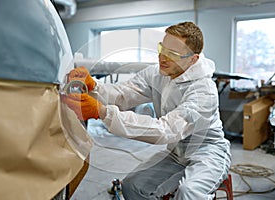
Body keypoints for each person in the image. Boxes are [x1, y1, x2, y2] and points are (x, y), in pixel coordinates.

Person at [61, 21, 231, 200]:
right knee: (132, 186)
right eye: (162, 49)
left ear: (193, 59)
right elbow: (123, 94)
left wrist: (103, 112)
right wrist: (94, 86)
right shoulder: (157, 74)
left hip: (208, 152)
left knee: (189, 192)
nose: (163, 58)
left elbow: (166, 130)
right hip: (176, 153)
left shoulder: (203, 91)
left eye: (172, 54)